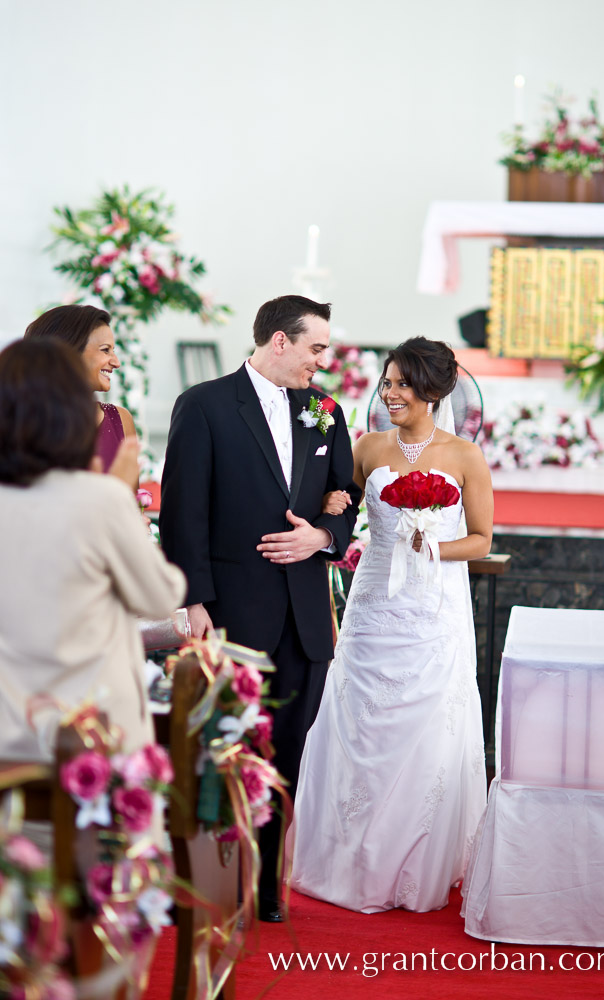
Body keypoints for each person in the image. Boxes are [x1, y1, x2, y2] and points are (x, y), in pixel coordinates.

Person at [159, 294, 361, 921]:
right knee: (224, 749)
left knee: (287, 758)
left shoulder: (326, 412)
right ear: (280, 341)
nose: (322, 362)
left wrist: (322, 538)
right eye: (315, 349)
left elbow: (345, 497)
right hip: (232, 612)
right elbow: (182, 508)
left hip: (303, 617)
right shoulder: (205, 405)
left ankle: (268, 884)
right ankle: (214, 882)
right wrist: (192, 599)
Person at [290, 336, 493, 913]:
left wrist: (435, 545)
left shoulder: (463, 456)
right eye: (388, 382)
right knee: (361, 726)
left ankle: (414, 861)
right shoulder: (367, 447)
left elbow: (481, 538)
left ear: (432, 390)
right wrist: (331, 509)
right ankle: (348, 856)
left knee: (426, 733)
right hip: (374, 603)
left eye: (403, 383)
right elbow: (344, 503)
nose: (391, 393)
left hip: (434, 610)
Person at [0, 339, 186, 763]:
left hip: (9, 728)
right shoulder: (97, 499)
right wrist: (119, 496)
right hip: (89, 727)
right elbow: (160, 596)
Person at [24, 304, 136, 473]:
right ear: (69, 352)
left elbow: (131, 497)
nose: (116, 362)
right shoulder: (18, 421)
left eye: (114, 351)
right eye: (105, 350)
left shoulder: (121, 420)